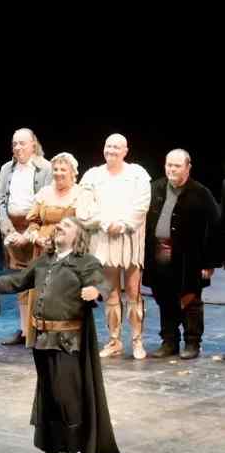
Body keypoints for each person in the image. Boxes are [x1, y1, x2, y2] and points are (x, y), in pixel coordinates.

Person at [0, 217, 146, 453]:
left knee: (68, 397)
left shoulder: (85, 262)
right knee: (50, 397)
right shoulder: (44, 261)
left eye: (66, 226)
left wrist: (96, 291)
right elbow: (16, 282)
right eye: (59, 225)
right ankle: (60, 451)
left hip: (67, 341)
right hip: (42, 339)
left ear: (78, 236)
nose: (59, 227)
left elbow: (102, 282)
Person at [143, 149, 221, 359]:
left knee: (190, 299)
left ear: (188, 167)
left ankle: (192, 343)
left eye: (177, 166)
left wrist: (209, 263)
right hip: (159, 255)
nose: (172, 169)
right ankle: (169, 341)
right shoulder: (155, 188)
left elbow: (215, 228)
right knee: (164, 298)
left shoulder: (200, 193)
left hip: (189, 258)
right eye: (169, 165)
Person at [80, 134, 151, 359]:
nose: (111, 150)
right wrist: (104, 222)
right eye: (108, 146)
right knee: (110, 292)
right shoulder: (92, 175)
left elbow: (141, 206)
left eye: (116, 147)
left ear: (125, 151)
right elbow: (84, 208)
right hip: (104, 239)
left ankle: (137, 341)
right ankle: (114, 341)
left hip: (129, 239)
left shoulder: (138, 174)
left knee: (132, 291)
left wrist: (122, 224)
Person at [23, 152, 97, 345]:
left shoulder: (80, 195)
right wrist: (36, 237)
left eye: (63, 169)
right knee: (42, 291)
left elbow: (85, 225)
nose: (58, 173)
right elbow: (33, 221)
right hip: (43, 249)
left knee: (63, 293)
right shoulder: (44, 193)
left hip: (69, 251)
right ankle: (40, 335)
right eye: (55, 169)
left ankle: (66, 337)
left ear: (73, 173)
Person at [0, 128, 52, 346]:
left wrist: (29, 234)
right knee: (21, 282)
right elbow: (1, 203)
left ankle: (39, 330)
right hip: (13, 229)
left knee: (39, 281)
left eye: (22, 143)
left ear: (33, 144)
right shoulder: (6, 169)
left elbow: (45, 204)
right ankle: (23, 331)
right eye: (14, 144)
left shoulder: (45, 168)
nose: (18, 148)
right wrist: (9, 231)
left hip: (36, 229)